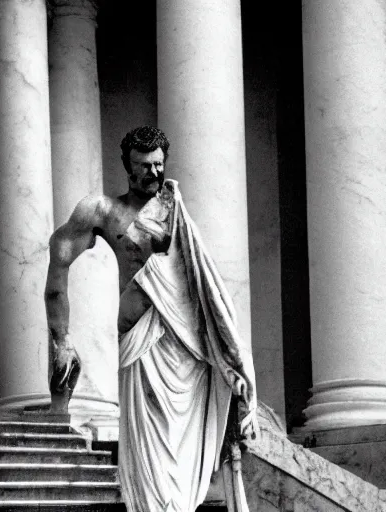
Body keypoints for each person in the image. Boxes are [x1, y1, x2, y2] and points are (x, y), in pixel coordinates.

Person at [44, 126, 258, 512]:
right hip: (140, 338)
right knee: (149, 449)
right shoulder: (103, 211)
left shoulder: (174, 210)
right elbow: (58, 261)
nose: (154, 174)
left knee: (183, 449)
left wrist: (230, 356)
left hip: (186, 343)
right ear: (126, 165)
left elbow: (205, 285)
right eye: (144, 165)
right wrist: (62, 339)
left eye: (159, 165)